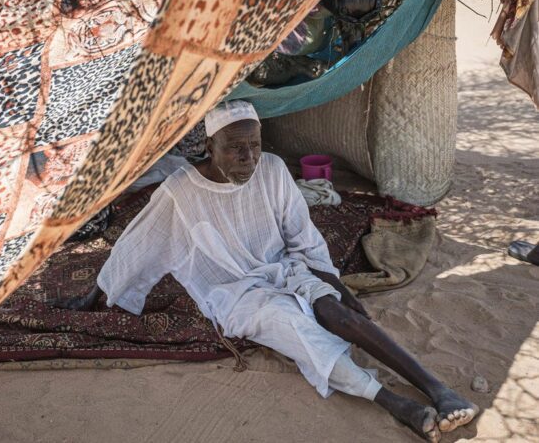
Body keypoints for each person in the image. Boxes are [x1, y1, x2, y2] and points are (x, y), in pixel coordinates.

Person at [58, 100, 478, 442]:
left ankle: (436, 387)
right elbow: (137, 244)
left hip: (282, 268)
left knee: (337, 313)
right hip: (234, 293)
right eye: (235, 148)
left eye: (255, 145)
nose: (249, 158)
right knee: (297, 329)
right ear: (211, 145)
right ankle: (392, 402)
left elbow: (303, 235)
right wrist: (95, 295)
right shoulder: (180, 192)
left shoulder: (273, 171)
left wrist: (329, 282)